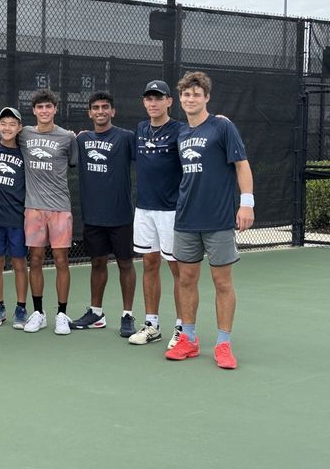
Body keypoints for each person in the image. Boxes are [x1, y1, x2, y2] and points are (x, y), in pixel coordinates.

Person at [165, 71, 254, 370]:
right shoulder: (180, 133)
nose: (191, 99)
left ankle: (223, 344)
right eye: (186, 95)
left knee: (222, 282)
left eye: (196, 94)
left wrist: (246, 204)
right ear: (180, 99)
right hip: (186, 219)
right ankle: (188, 339)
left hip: (218, 220)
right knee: (187, 279)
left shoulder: (222, 127)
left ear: (206, 97)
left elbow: (242, 166)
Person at [70, 92, 138, 338]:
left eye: (105, 107)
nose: (100, 111)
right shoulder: (81, 139)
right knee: (97, 263)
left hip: (120, 216)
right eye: (96, 108)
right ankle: (96, 313)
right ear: (89, 112)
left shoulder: (127, 137)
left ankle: (127, 314)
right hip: (93, 216)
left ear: (113, 111)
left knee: (125, 263)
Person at [129, 80, 183, 348]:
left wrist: (220, 122)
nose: (153, 103)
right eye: (149, 98)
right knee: (149, 264)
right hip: (144, 210)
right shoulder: (140, 128)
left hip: (171, 212)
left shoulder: (180, 130)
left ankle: (183, 328)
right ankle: (152, 325)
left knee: (178, 270)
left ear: (169, 101)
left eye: (158, 98)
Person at [20, 89, 79, 335]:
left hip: (60, 208)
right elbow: (3, 136)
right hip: (33, 208)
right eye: (40, 107)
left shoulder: (67, 137)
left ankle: (62, 314)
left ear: (55, 109)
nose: (44, 111)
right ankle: (38, 313)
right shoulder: (23, 134)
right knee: (34, 259)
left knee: (61, 260)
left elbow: (75, 160)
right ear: (33, 111)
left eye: (48, 107)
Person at [0, 107, 29, 329]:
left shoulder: (25, 152)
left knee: (20, 263)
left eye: (12, 124)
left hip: (18, 219)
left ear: (19, 127)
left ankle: (21, 308)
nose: (8, 128)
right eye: (4, 123)